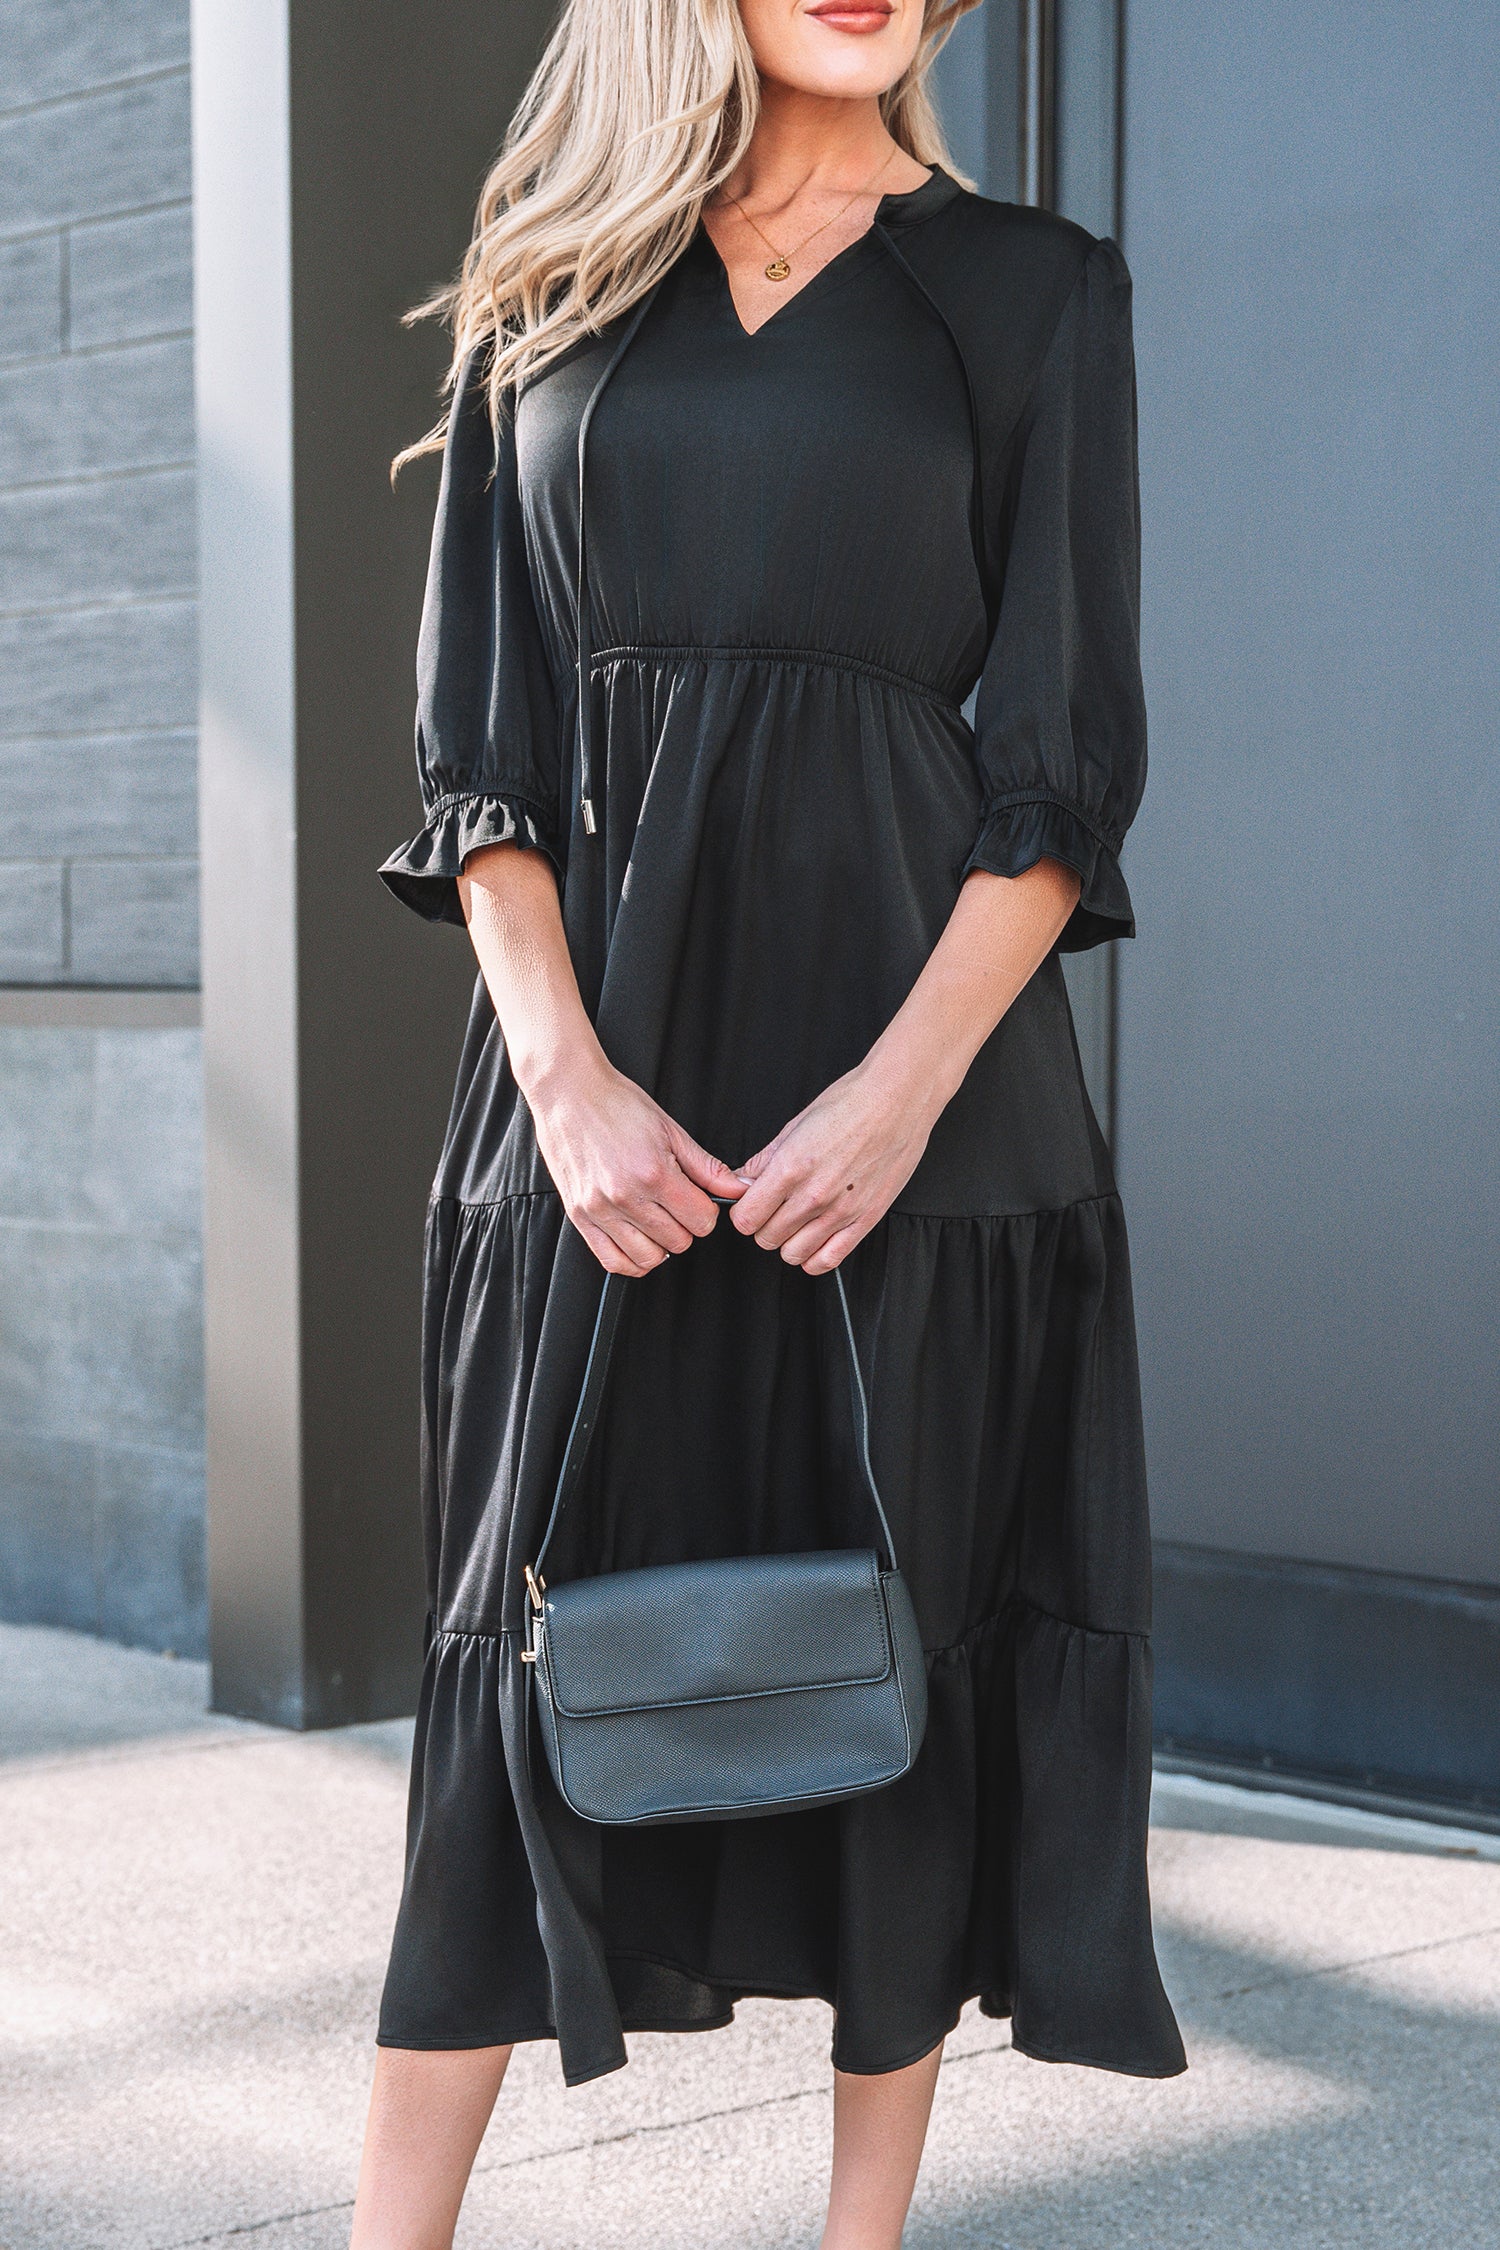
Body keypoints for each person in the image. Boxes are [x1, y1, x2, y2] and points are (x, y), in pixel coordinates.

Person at [354, 0, 1185, 2241]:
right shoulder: (551, 274)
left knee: (905, 1661)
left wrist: (900, 1101)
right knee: (505, 1680)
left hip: (920, 1111)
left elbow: (1063, 767)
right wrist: (565, 1086)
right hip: (592, 1115)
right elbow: (480, 754)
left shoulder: (1034, 293)